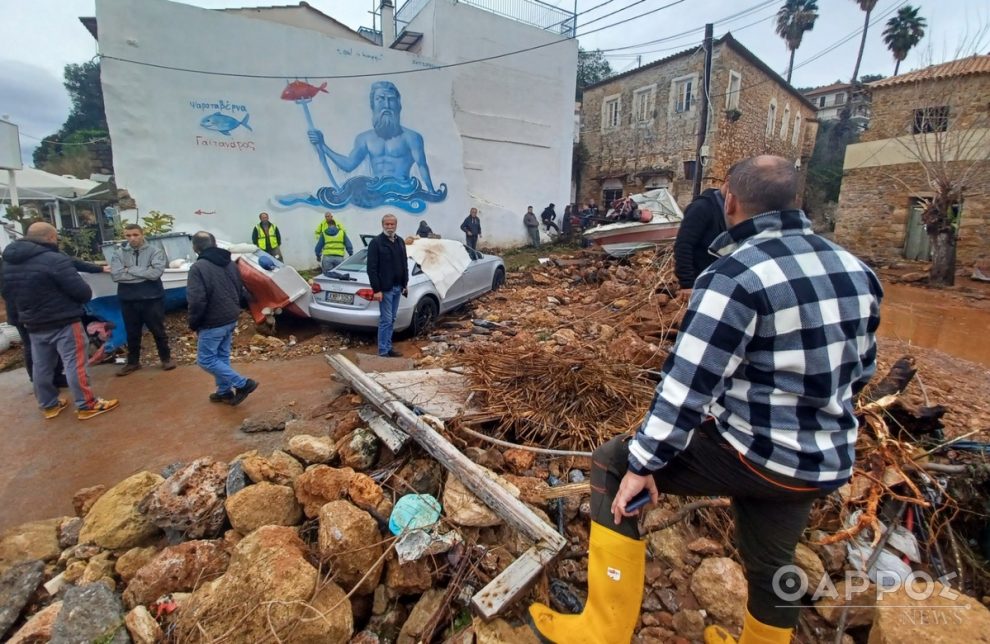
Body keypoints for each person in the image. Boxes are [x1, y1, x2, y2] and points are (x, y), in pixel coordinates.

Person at [527, 156, 884, 644]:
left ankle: (601, 631)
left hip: (754, 454)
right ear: (795, 200)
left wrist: (643, 463)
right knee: (771, 564)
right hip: (820, 463)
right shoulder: (856, 270)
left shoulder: (734, 276)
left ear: (730, 200)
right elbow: (861, 374)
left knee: (613, 462)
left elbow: (685, 389)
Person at [1, 222, 119, 420]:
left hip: (32, 322)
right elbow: (82, 292)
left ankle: (49, 404)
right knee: (75, 363)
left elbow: (6, 292)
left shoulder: (9, 262)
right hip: (63, 320)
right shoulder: (54, 260)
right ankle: (87, 404)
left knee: (41, 365)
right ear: (50, 238)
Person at [307, 81, 438, 192]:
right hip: (376, 194)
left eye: (391, 100)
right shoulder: (365, 139)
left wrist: (431, 191)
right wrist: (323, 146)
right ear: (372, 105)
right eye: (380, 99)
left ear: (399, 105)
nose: (386, 105)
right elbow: (349, 165)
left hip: (404, 193)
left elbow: (422, 166)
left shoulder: (412, 138)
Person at [187, 231, 258, 405]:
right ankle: (224, 391)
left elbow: (197, 299)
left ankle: (243, 383)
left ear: (195, 247)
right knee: (221, 356)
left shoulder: (198, 268)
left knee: (206, 360)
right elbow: (240, 289)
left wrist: (194, 322)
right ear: (215, 244)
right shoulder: (230, 263)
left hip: (212, 321)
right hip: (230, 317)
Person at [110, 224, 175, 376]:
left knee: (158, 330)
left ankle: (166, 358)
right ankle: (133, 362)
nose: (132, 238)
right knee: (132, 332)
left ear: (142, 234)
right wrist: (144, 272)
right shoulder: (118, 253)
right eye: (128, 235)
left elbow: (155, 274)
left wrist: (129, 269)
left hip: (152, 298)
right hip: (129, 299)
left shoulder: (155, 251)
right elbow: (117, 275)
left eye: (135, 235)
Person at [674, 176, 729, 294]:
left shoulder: (729, 209)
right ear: (728, 181)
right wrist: (687, 284)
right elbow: (683, 245)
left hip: (719, 283)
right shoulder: (701, 207)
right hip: (700, 282)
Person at [366, 214, 408, 358]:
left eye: (392, 224)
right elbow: (371, 269)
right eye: (387, 224)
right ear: (382, 225)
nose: (390, 227)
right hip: (385, 289)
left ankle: (389, 347)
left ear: (396, 225)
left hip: (397, 287)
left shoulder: (400, 241)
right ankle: (383, 351)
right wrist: (376, 289)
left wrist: (405, 283)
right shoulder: (376, 243)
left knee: (392, 319)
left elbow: (404, 264)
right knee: (386, 320)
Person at [314, 212, 354, 276]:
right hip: (339, 258)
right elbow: (348, 244)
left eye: (328, 216)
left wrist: (318, 256)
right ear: (335, 225)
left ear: (328, 225)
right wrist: (350, 253)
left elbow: (318, 247)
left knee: (327, 276)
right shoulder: (342, 233)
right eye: (326, 216)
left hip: (327, 258)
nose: (327, 217)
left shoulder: (324, 233)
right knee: (340, 275)